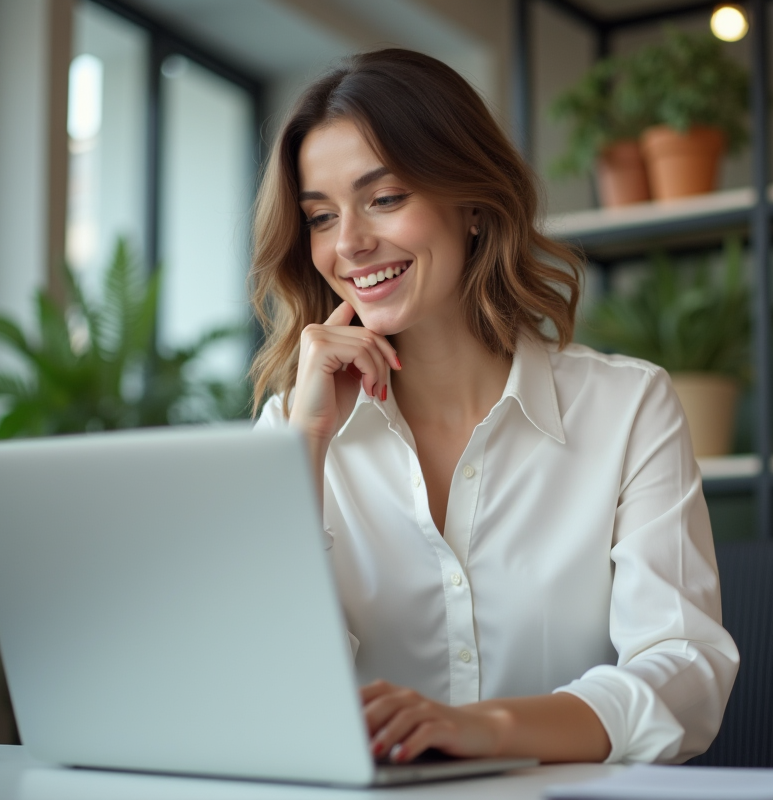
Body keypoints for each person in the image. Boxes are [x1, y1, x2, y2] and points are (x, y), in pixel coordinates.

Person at [250, 48, 738, 766]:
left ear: (472, 203)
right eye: (321, 217)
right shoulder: (292, 434)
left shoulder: (628, 407)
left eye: (384, 199)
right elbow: (260, 690)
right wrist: (310, 445)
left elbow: (685, 672)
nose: (348, 243)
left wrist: (488, 730)